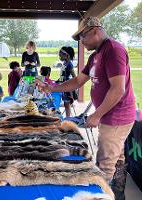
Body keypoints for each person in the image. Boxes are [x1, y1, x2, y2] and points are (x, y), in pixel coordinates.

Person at [36, 17, 135, 200]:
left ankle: (101, 195)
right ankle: (118, 195)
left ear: (95, 30)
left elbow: (118, 89)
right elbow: (77, 81)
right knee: (117, 159)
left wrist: (96, 115)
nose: (81, 41)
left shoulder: (113, 50)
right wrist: (52, 88)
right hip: (109, 116)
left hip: (117, 117)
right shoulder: (95, 55)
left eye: (82, 36)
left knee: (104, 165)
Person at [58, 46, 76, 117]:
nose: (59, 56)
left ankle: (68, 119)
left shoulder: (69, 64)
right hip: (63, 85)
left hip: (67, 87)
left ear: (66, 55)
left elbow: (74, 76)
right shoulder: (65, 63)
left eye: (61, 55)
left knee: (67, 104)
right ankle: (67, 118)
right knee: (66, 104)